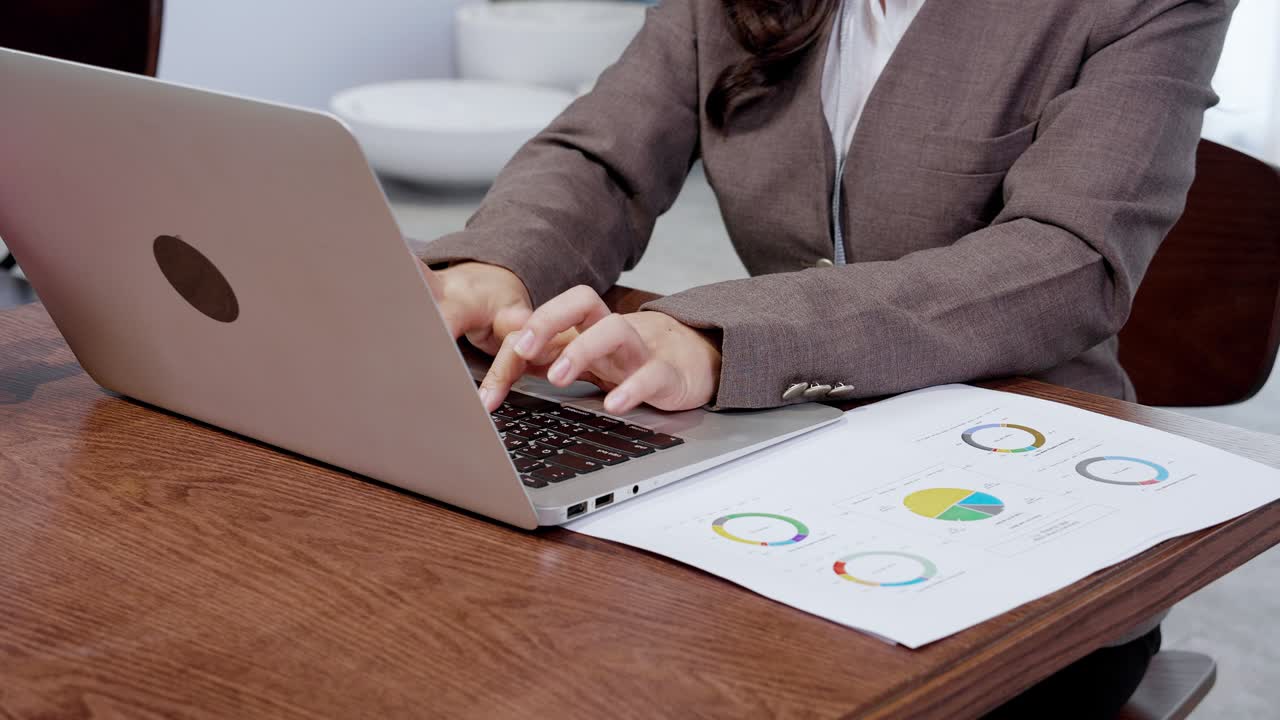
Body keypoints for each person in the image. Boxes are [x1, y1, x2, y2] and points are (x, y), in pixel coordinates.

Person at [416, 0, 1235, 716]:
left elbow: (1068, 260)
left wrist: (725, 335)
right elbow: (601, 155)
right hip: (773, 467)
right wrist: (499, 263)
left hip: (1015, 503)